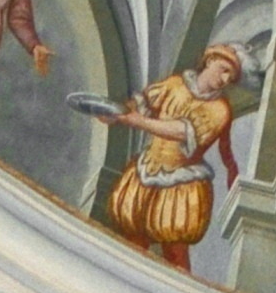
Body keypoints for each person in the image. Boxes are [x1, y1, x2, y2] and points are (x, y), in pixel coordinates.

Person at [102, 42, 247, 268]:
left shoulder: (220, 110)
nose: (226, 79)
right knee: (132, 238)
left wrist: (137, 121)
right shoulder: (175, 84)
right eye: (224, 69)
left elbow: (180, 131)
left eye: (232, 76)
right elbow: (144, 102)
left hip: (181, 184)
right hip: (146, 171)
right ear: (209, 61)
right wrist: (116, 112)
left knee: (174, 251)